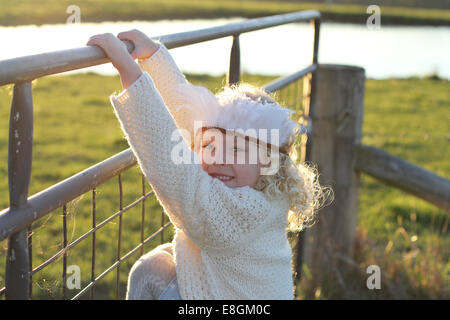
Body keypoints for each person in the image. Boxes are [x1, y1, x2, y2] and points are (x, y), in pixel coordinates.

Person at [86, 29, 331, 300]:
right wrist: (154, 59)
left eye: (237, 149)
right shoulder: (267, 187)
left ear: (268, 161)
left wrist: (129, 73)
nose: (218, 158)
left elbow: (174, 169)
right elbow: (188, 125)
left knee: (148, 270)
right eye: (210, 146)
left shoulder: (242, 213)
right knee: (163, 257)